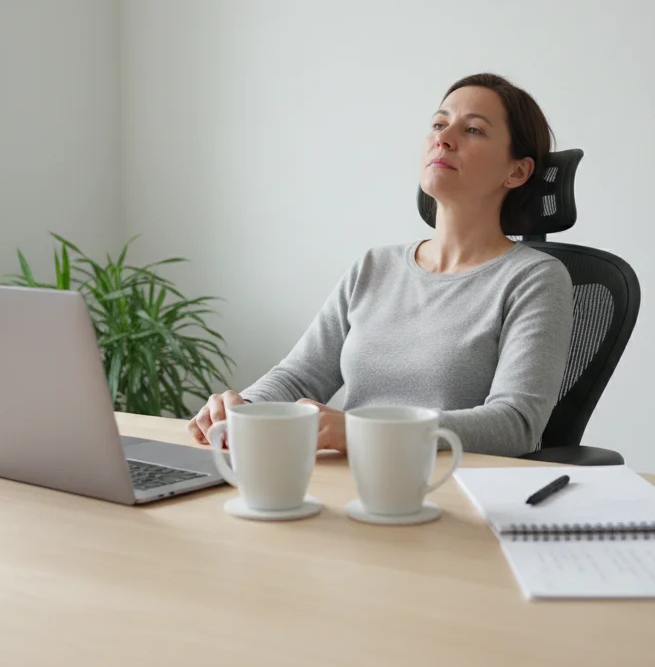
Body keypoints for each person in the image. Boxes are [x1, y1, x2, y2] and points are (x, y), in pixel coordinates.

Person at [186, 73, 574, 458]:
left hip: (446, 492)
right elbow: (298, 377)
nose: (444, 137)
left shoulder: (534, 279)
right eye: (439, 124)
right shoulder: (374, 266)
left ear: (517, 171)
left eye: (472, 129)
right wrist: (244, 409)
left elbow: (516, 424)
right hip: (346, 481)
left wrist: (363, 431)